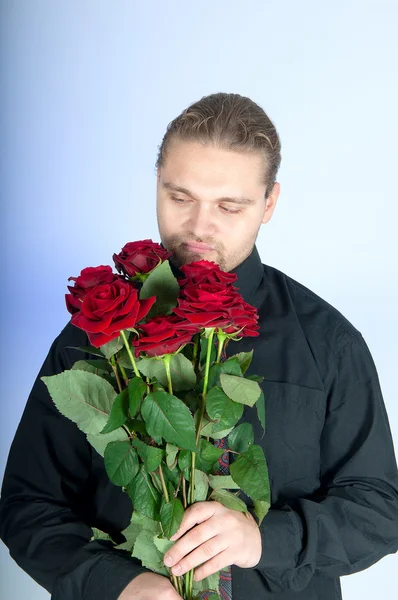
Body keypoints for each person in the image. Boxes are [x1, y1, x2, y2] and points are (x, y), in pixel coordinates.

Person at [1, 92, 397, 600]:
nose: (199, 228)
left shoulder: (329, 342)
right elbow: (27, 503)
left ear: (269, 203)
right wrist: (117, 584)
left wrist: (264, 540)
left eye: (229, 206)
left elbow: (379, 510)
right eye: (180, 197)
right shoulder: (98, 330)